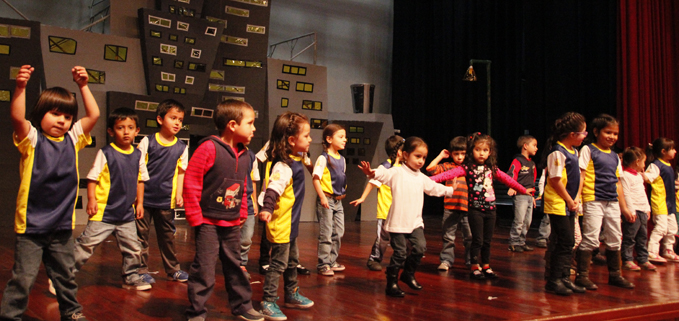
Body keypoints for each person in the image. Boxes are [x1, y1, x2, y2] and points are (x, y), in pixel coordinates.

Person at [0, 65, 98, 321]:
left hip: (62, 226)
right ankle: (11, 316)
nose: (61, 121)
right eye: (55, 114)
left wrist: (84, 85)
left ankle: (72, 312)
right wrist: (20, 87)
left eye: (66, 117)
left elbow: (94, 114)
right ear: (41, 115)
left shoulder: (73, 139)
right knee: (23, 278)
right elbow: (18, 118)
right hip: (32, 226)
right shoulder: (32, 139)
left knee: (65, 275)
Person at [183, 99, 263, 321]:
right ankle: (196, 312)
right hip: (207, 222)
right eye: (250, 123)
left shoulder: (247, 155)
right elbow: (191, 182)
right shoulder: (208, 148)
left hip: (231, 222)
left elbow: (244, 187)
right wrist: (195, 217)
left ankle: (243, 306)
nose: (254, 128)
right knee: (204, 270)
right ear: (232, 125)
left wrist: (243, 213)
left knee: (236, 266)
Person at [359, 136, 456, 297]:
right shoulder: (396, 172)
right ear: (405, 155)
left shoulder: (421, 177)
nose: (421, 161)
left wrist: (451, 190)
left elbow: (434, 188)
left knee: (419, 248)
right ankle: (392, 283)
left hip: (415, 223)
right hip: (397, 223)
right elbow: (382, 173)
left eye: (424, 157)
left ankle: (408, 274)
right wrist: (372, 173)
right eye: (417, 156)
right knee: (400, 253)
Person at [430, 133, 533, 280]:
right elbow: (444, 175)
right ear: (472, 151)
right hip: (475, 210)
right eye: (478, 150)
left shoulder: (492, 168)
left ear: (490, 152)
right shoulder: (466, 168)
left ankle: (486, 265)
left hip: (491, 209)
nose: (481, 153)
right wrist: (425, 181)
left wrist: (523, 190)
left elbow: (508, 180)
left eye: (485, 150)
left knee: (487, 241)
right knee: (476, 239)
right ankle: (474, 266)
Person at [74, 107, 151, 291]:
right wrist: (91, 200)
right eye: (120, 127)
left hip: (126, 214)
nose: (126, 132)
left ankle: (131, 277)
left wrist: (140, 203)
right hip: (104, 212)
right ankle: (62, 276)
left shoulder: (138, 154)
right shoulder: (106, 153)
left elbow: (141, 180)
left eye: (130, 127)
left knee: (133, 247)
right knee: (86, 245)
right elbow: (92, 178)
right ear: (111, 131)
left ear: (137, 130)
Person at [258, 112, 314, 320]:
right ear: (291, 140)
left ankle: (291, 293)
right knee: (279, 264)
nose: (310, 139)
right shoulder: (283, 166)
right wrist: (267, 208)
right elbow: (273, 189)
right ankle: (268, 300)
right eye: (306, 136)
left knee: (293, 261)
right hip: (281, 224)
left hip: (291, 223)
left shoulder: (296, 159)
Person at [577, 114, 634, 290]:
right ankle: (582, 275)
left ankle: (615, 275)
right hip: (593, 199)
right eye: (608, 132)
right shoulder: (588, 150)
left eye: (615, 134)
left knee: (615, 237)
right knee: (591, 238)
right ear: (596, 132)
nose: (612, 137)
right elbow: (582, 174)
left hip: (612, 201)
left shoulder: (615, 156)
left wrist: (624, 207)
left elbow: (618, 183)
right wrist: (577, 197)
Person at [136, 99, 189, 284]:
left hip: (166, 200)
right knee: (140, 236)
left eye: (180, 120)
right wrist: (137, 198)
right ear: (160, 119)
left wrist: (179, 194)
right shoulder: (147, 141)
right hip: (144, 198)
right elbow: (137, 169)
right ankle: (140, 269)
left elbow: (181, 172)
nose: (177, 123)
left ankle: (173, 269)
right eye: (173, 118)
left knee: (168, 237)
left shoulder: (182, 147)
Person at [540, 112, 587, 296]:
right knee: (565, 241)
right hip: (558, 203)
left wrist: (575, 199)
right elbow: (555, 180)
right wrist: (569, 199)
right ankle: (554, 280)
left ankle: (565, 278)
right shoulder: (557, 152)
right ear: (572, 134)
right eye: (583, 132)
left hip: (569, 203)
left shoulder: (573, 152)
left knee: (569, 241)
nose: (585, 136)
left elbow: (577, 178)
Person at [351, 135, 405, 271]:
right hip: (386, 210)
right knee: (383, 239)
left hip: (401, 211)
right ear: (399, 152)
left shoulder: (405, 167)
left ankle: (401, 259)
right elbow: (372, 182)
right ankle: (374, 259)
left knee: (403, 238)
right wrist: (363, 198)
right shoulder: (385, 166)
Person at [425, 136, 472, 270]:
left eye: (462, 154)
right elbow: (430, 169)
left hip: (466, 207)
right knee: (448, 236)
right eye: (456, 154)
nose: (459, 157)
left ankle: (471, 261)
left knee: (469, 237)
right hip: (450, 207)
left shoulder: (469, 168)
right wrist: (441, 155)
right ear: (451, 154)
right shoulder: (448, 166)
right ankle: (446, 260)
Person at [313, 124, 348, 276]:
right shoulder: (323, 158)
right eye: (340, 137)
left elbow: (341, 177)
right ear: (329, 139)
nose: (344, 140)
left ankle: (332, 261)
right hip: (326, 199)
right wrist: (322, 197)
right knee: (326, 232)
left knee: (339, 231)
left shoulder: (342, 159)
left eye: (345, 137)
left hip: (338, 201)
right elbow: (316, 179)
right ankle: (323, 263)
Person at [620, 146, 656, 271]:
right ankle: (627, 259)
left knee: (642, 237)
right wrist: (631, 210)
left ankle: (643, 259)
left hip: (642, 210)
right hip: (633, 211)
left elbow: (643, 193)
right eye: (643, 162)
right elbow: (626, 194)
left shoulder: (639, 176)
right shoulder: (625, 175)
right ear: (637, 161)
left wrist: (647, 208)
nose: (644, 165)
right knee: (630, 236)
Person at [645, 137, 679, 263]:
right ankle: (652, 251)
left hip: (670, 203)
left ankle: (668, 250)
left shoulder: (669, 165)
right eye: (672, 149)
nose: (675, 151)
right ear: (664, 151)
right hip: (659, 202)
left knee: (672, 228)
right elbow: (648, 178)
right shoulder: (656, 165)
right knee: (661, 227)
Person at [507, 135, 538, 252]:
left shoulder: (532, 163)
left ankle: (521, 241)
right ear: (525, 146)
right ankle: (514, 242)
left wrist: (533, 196)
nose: (536, 148)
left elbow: (532, 180)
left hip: (529, 196)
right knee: (519, 220)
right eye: (534, 145)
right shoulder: (518, 160)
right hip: (520, 196)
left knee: (527, 221)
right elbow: (512, 173)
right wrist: (512, 186)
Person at [239, 148, 260, 281]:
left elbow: (253, 179)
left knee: (247, 237)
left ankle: (242, 263)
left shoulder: (252, 155)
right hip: (230, 200)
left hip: (248, 202)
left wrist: (255, 201)